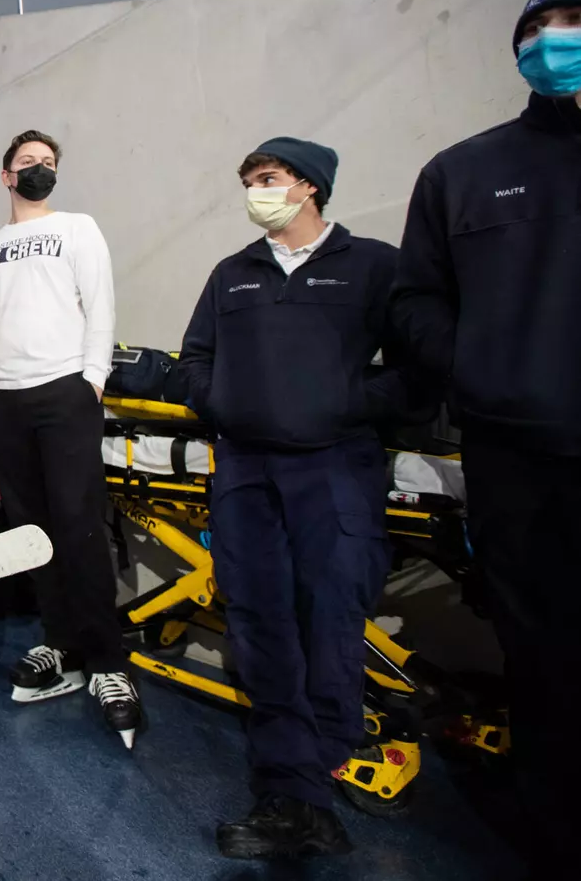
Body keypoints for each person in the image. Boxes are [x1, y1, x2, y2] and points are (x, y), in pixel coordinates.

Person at [390, 0, 581, 874]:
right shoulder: (465, 172)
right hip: (518, 458)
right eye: (539, 25)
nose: (555, 37)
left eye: (573, 21)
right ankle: (555, 830)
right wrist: (477, 371)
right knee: (540, 655)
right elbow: (418, 301)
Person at [179, 138, 407, 860]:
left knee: (328, 613)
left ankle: (314, 774)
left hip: (335, 467)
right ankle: (294, 795)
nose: (256, 191)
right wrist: (218, 401)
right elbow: (194, 358)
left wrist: (342, 405)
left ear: (309, 188)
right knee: (260, 620)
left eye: (268, 179)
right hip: (245, 468)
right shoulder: (232, 274)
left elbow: (417, 365)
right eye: (249, 180)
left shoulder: (373, 266)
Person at [0, 131, 137, 745]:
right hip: (0, 400)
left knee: (79, 526)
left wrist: (90, 381)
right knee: (31, 532)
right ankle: (59, 646)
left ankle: (107, 662)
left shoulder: (78, 228)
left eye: (48, 163)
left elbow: (102, 307)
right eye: (27, 163)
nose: (39, 170)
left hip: (63, 393)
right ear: (6, 175)